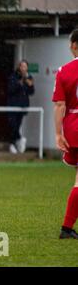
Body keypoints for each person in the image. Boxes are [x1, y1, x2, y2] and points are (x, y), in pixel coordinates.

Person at [52, 29, 78, 239]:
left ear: (74, 45)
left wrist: (58, 134)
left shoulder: (64, 71)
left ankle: (67, 228)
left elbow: (60, 105)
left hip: (73, 128)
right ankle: (66, 228)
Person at [7, 60, 34, 154]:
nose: (23, 68)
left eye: (25, 66)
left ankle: (14, 143)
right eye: (22, 66)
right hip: (12, 105)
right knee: (12, 125)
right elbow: (10, 90)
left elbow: (31, 92)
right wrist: (19, 83)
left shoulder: (29, 77)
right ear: (19, 67)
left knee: (17, 126)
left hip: (22, 106)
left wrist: (28, 84)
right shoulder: (13, 77)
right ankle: (18, 140)